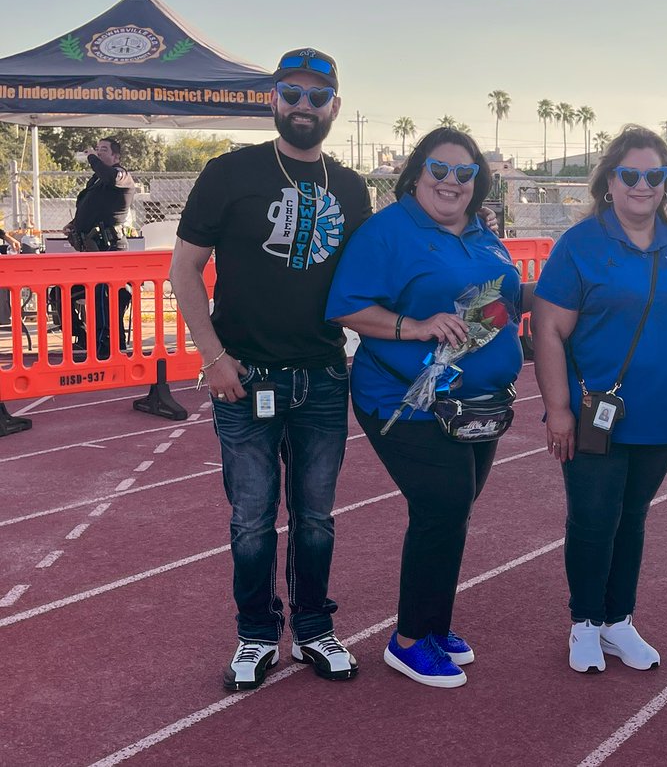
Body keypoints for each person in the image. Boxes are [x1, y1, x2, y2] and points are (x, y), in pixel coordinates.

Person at [171, 48, 373, 692]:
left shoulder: (351, 186)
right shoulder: (229, 173)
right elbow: (183, 272)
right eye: (293, 93)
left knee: (316, 518)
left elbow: (368, 280)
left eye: (318, 96)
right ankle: (256, 635)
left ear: (335, 107)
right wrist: (213, 358)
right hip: (244, 378)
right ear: (273, 100)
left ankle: (313, 627)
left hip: (322, 376)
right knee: (252, 519)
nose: (304, 106)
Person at [326, 127, 529, 689]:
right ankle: (410, 639)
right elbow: (345, 307)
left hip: (476, 403)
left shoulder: (484, 232)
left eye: (464, 174)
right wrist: (412, 326)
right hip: (403, 400)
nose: (450, 182)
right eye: (439, 170)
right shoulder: (387, 230)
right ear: (416, 174)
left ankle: (435, 626)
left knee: (454, 510)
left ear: (477, 183)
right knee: (443, 504)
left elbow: (503, 299)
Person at [533, 125, 667, 675]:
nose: (642, 184)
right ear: (610, 181)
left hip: (662, 413)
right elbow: (548, 329)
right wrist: (558, 409)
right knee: (592, 518)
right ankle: (585, 622)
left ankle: (618, 621)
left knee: (632, 518)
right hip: (595, 418)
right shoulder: (581, 244)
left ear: (666, 185)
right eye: (630, 174)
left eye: (654, 176)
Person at [63, 137, 136, 357]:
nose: (98, 152)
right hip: (92, 249)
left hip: (110, 248)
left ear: (116, 156)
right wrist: (75, 225)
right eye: (97, 149)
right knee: (63, 292)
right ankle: (87, 338)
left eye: (104, 150)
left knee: (105, 299)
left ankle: (106, 348)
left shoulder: (121, 175)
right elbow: (92, 206)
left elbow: (111, 177)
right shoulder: (96, 180)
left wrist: (93, 159)